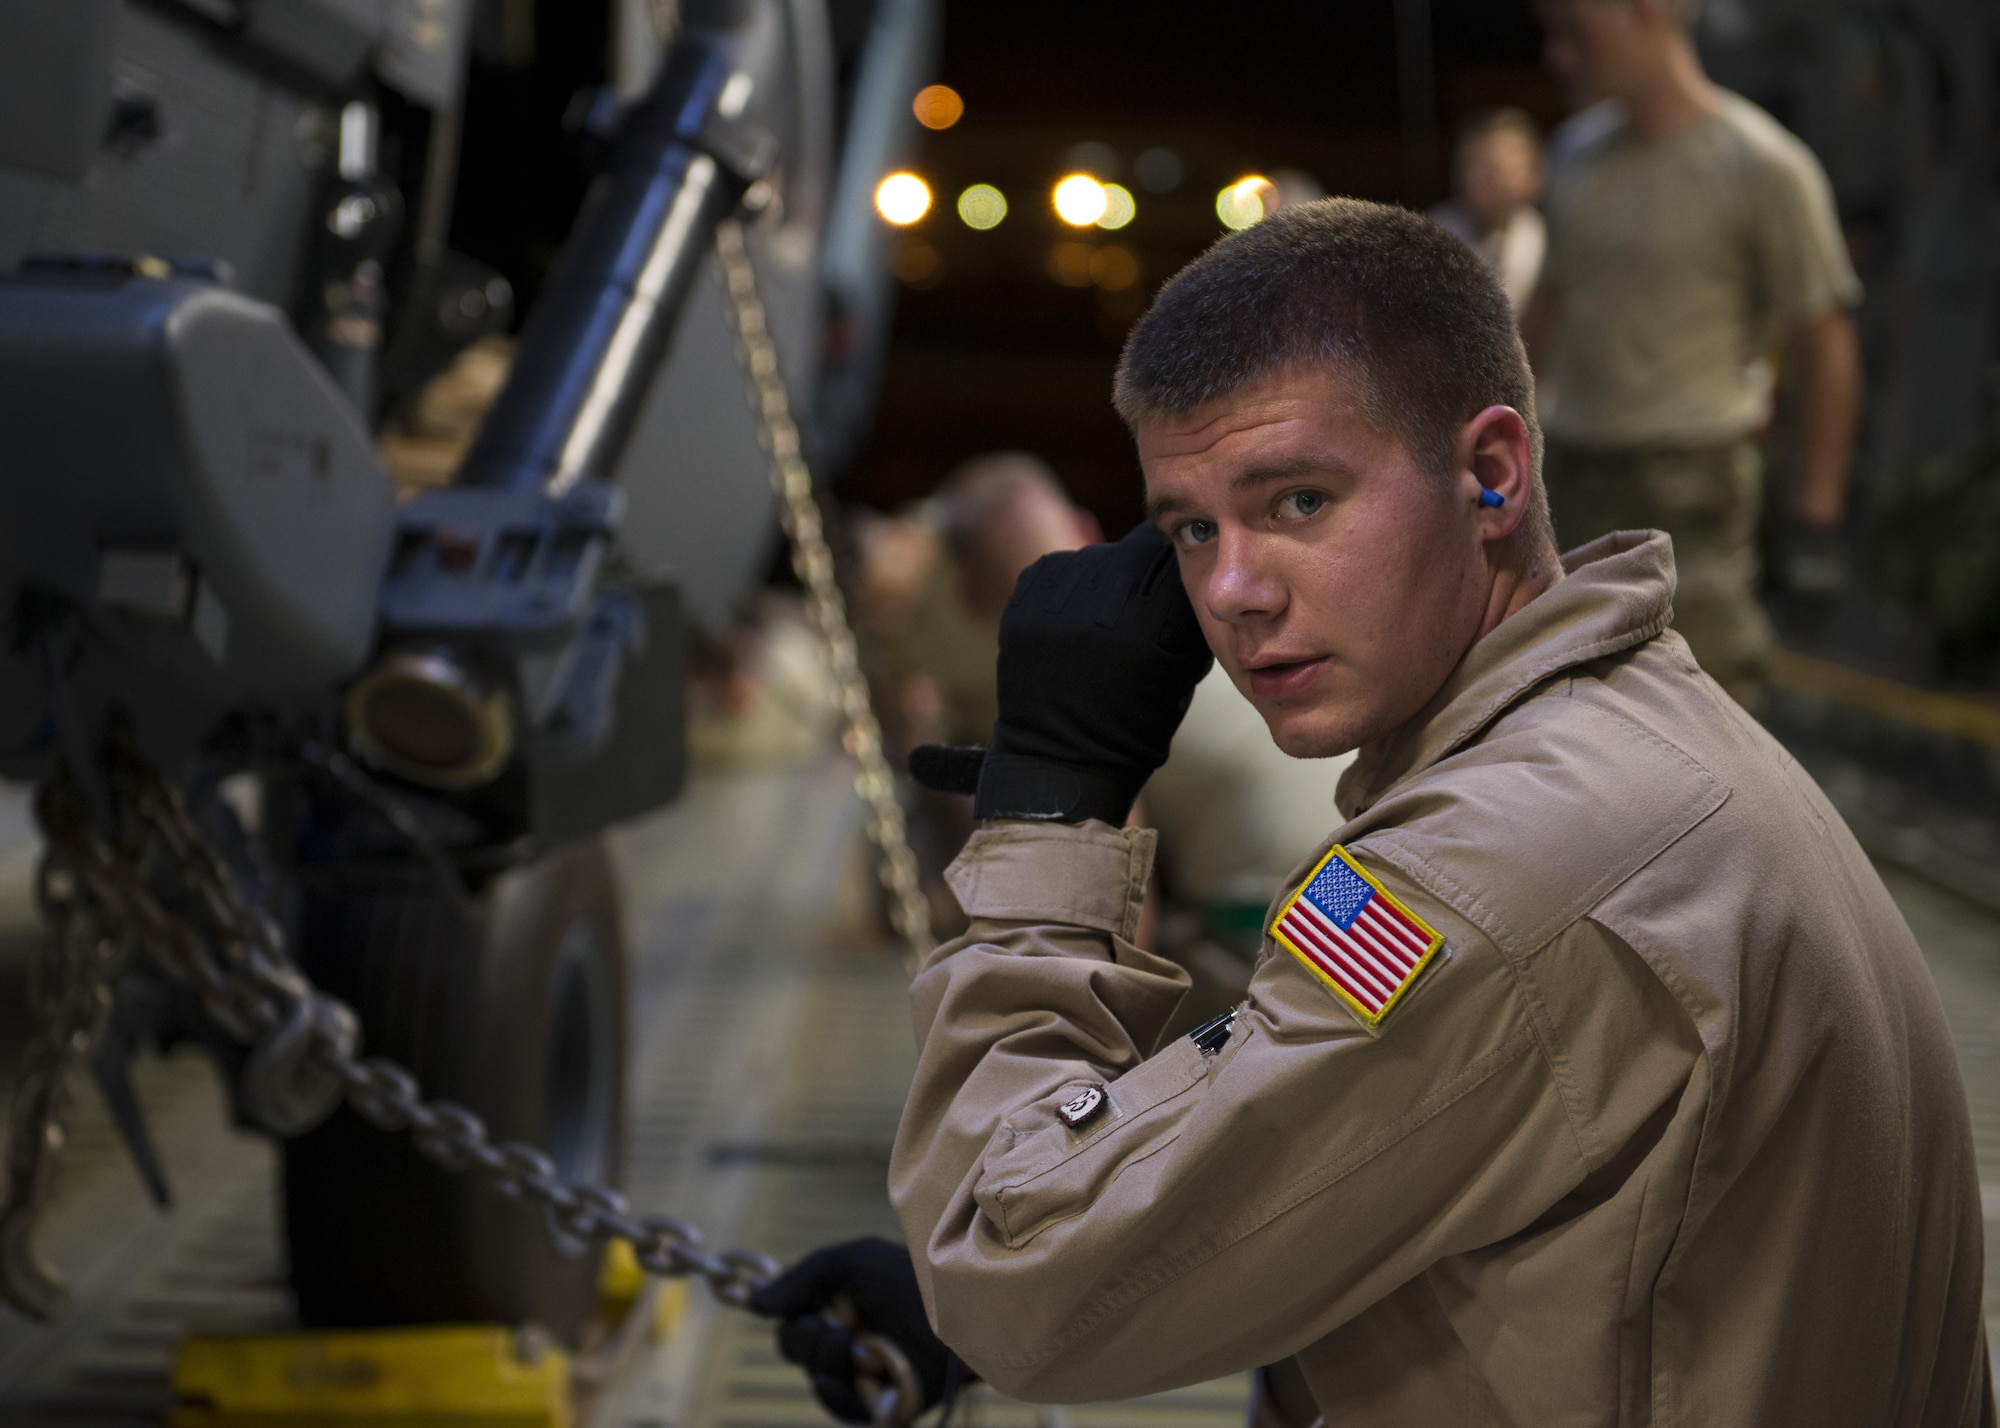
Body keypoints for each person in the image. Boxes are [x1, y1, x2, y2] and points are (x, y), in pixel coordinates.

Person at [750, 199, 1989, 1425]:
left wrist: (1050, 817)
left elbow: (1011, 1277)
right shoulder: (1642, 730)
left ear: (1489, 473)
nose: (1230, 592)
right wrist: (1112, 1220)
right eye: (1188, 529)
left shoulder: (1485, 877)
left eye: (1297, 502)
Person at [1525, 0, 1864, 710]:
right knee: (1578, 707)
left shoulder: (1761, 164)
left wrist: (1817, 516)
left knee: (1707, 702)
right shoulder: (1575, 154)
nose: (1559, 55)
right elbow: (1542, 316)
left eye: (1574, 31)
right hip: (1576, 476)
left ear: (1641, 13)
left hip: (1692, 484)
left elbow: (1824, 341)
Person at [1428, 108, 1548, 314]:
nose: (1475, 181)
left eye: (1493, 171)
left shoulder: (1544, 234)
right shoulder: (1432, 235)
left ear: (1535, 173)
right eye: (1468, 166)